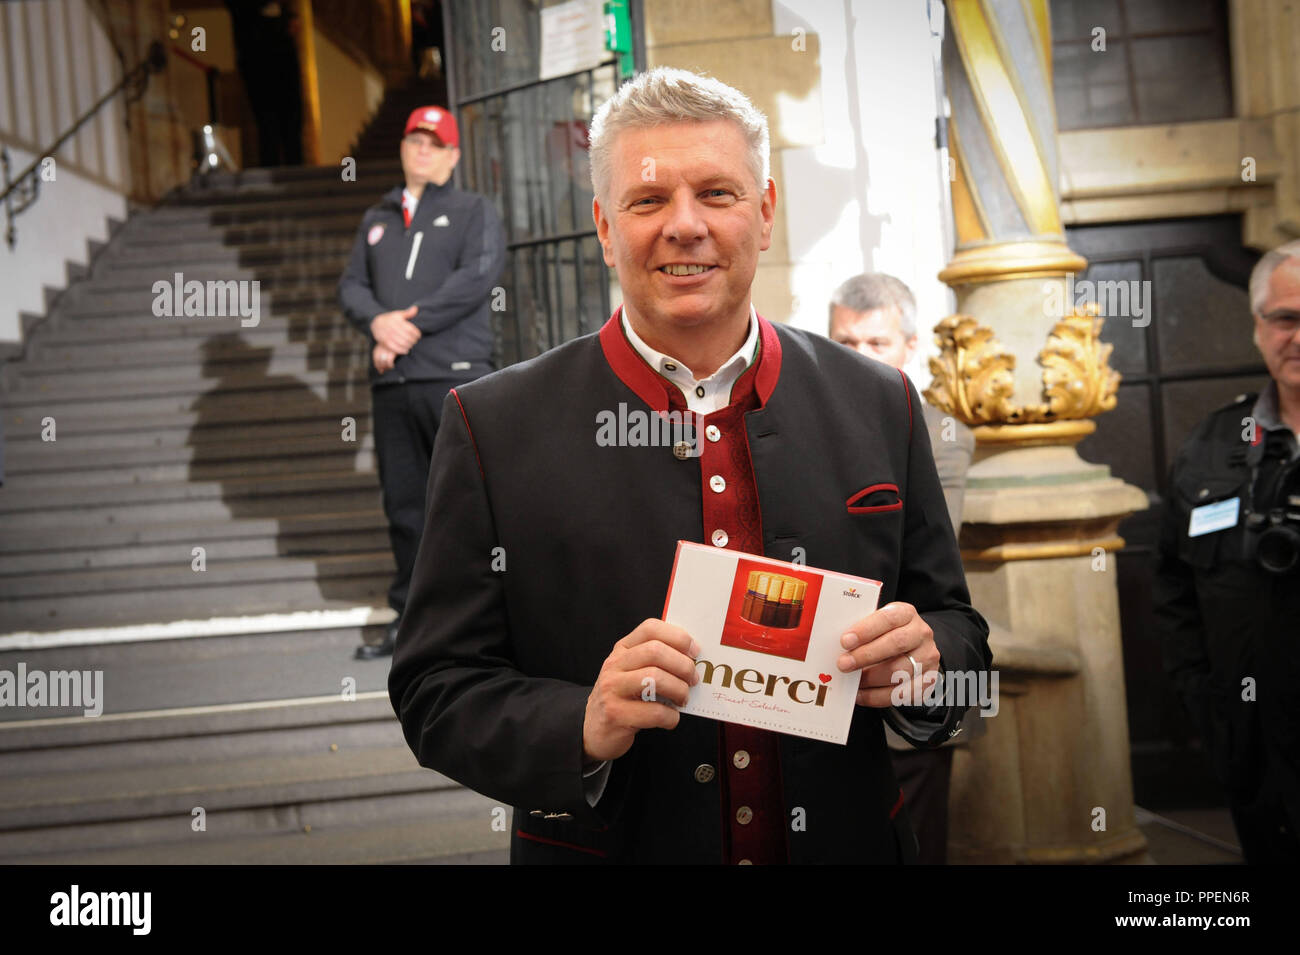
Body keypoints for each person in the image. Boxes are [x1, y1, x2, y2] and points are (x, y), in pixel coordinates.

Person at [388, 67, 991, 864]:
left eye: (718, 193)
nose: (685, 225)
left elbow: (958, 632)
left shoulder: (880, 402)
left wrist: (932, 666)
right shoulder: (492, 426)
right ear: (605, 226)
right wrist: (582, 721)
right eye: (647, 201)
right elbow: (436, 689)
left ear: (765, 212)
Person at [339, 105, 506, 660]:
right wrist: (377, 324)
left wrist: (404, 325)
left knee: (468, 502)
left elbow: (476, 277)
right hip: (393, 383)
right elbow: (351, 287)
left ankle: (485, 620)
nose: (423, 149)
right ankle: (410, 623)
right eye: (416, 139)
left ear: (453, 155)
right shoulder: (377, 217)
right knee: (405, 507)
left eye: (436, 143)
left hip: (454, 379)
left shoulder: (473, 210)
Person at [1154, 239, 1300, 864]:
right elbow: (1173, 591)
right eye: (1285, 318)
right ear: (1259, 327)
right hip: (1254, 742)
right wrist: (1208, 708)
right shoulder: (1217, 443)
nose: (1297, 336)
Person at [828, 272, 981, 865]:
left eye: (876, 345)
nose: (860, 359)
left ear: (909, 348)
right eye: (846, 344)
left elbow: (928, 552)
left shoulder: (941, 433)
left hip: (906, 687)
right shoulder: (814, 422)